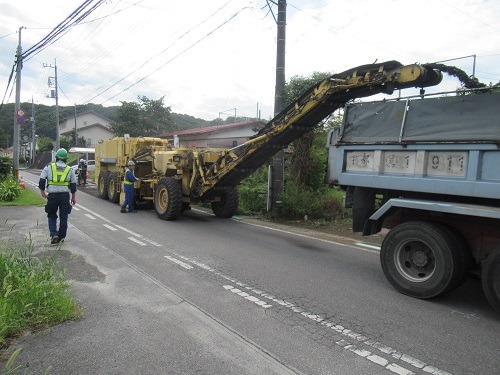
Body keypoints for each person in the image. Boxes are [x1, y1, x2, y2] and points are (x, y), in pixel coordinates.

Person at [38, 148, 77, 245]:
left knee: (51, 214)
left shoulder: (48, 167)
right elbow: (73, 185)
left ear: (56, 158)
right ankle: (61, 237)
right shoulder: (70, 169)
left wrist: (43, 192)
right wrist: (73, 197)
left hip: (52, 196)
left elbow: (42, 180)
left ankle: (54, 234)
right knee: (64, 217)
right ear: (66, 159)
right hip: (64, 196)